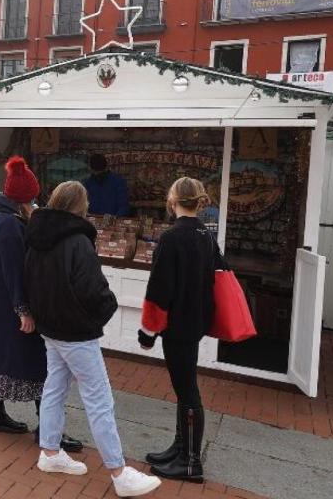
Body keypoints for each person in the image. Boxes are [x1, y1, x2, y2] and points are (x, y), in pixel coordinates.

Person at [25, 181, 162, 497]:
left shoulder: (36, 237)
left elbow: (29, 278)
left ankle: (49, 451)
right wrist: (106, 308)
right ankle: (118, 472)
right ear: (80, 206)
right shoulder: (77, 241)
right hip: (75, 331)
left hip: (51, 328)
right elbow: (93, 288)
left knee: (55, 388)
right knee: (99, 398)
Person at [0, 156, 81, 453]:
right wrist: (23, 309)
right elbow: (15, 271)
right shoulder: (10, 226)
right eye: (33, 196)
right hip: (11, 307)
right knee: (41, 366)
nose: (36, 200)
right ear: (24, 198)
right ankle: (47, 428)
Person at [139, 177, 224, 483]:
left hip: (177, 325)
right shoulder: (205, 235)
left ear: (172, 199)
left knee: (187, 390)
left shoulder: (172, 237)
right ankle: (179, 448)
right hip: (196, 321)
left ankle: (190, 462)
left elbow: (159, 289)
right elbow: (219, 274)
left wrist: (148, 332)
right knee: (183, 387)